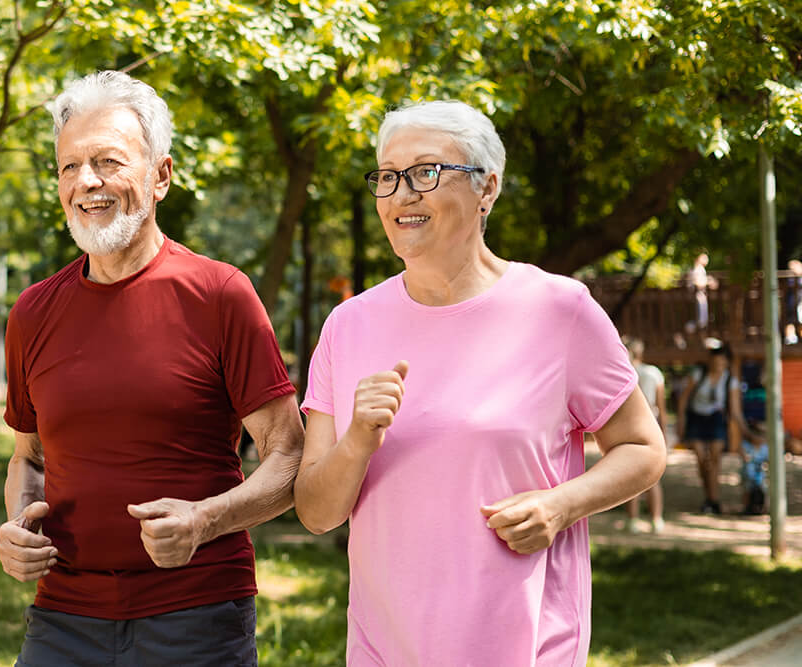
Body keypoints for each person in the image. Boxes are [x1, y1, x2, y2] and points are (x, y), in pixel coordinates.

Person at [293, 101, 666, 666]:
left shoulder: (559, 310)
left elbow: (643, 448)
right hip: (384, 649)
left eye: (425, 172)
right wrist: (357, 443)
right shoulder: (348, 326)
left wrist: (562, 505)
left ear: (486, 188)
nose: (401, 194)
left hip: (526, 645)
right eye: (388, 177)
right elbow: (316, 513)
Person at [0, 71, 304, 666]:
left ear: (160, 175)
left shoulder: (221, 294)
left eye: (108, 161)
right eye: (68, 166)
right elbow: (27, 458)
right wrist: (18, 526)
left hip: (197, 616)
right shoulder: (33, 311)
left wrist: (205, 520)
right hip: (63, 617)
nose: (86, 182)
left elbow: (288, 457)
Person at [677, 345, 743, 515]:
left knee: (714, 459)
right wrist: (681, 420)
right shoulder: (699, 375)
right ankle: (710, 496)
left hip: (716, 420)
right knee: (701, 459)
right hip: (697, 418)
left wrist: (745, 432)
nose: (718, 364)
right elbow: (684, 399)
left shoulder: (730, 381)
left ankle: (713, 500)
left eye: (722, 361)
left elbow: (735, 411)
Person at [623, 338, 667, 534]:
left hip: (630, 425)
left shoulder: (625, 373)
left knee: (631, 475)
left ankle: (633, 519)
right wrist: (663, 432)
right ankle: (657, 519)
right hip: (651, 424)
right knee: (654, 475)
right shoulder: (654, 373)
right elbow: (661, 407)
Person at [740, 419, 768, 515]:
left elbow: (768, 460)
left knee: (764, 489)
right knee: (747, 489)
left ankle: (764, 508)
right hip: (748, 472)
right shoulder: (746, 445)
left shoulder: (765, 448)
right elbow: (742, 454)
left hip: (760, 473)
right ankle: (746, 507)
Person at [689, 252, 716, 333]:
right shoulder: (697, 269)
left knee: (703, 319)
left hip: (700, 295)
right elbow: (698, 283)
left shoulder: (700, 269)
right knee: (700, 320)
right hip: (698, 295)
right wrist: (708, 282)